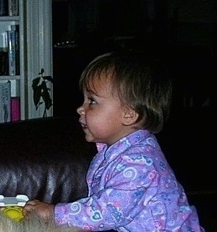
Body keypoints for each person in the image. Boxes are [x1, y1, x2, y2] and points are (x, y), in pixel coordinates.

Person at [23, 51, 203, 231]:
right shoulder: (117, 152)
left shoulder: (139, 163)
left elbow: (107, 212)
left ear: (129, 114)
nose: (80, 108)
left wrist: (55, 213)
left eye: (92, 101)